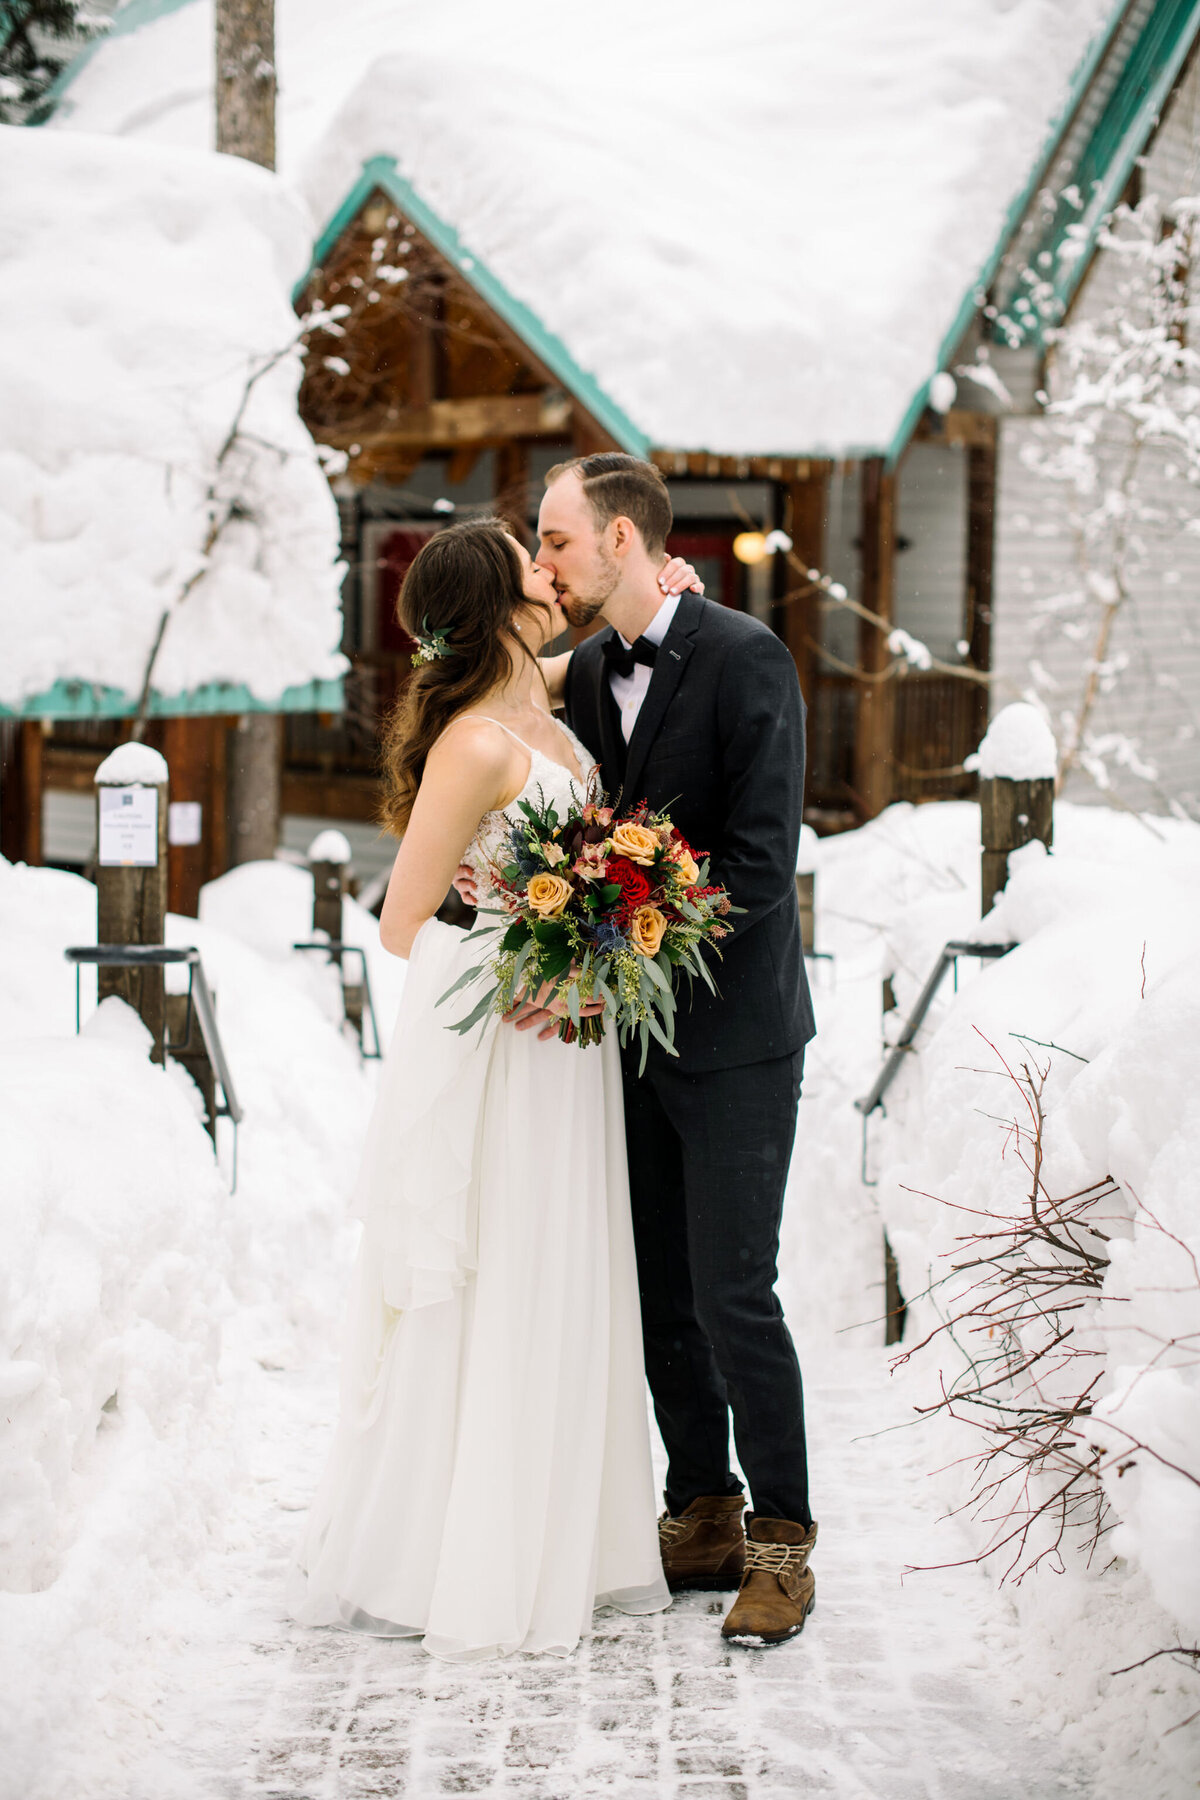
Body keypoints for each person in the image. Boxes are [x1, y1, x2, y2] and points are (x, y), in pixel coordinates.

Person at [287, 518, 701, 1661]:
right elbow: (402, 920)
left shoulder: (551, 714)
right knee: (501, 1266)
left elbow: (631, 639)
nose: (550, 571)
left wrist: (673, 585)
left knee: (565, 1264)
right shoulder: (476, 744)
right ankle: (456, 1549)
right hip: (503, 1042)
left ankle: (564, 1532)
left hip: (570, 1052)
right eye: (533, 563)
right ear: (499, 601)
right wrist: (545, 966)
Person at [514, 454, 819, 1645]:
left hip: (739, 1041)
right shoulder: (588, 668)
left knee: (738, 1292)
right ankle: (702, 1509)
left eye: (559, 541)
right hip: (629, 1047)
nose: (545, 562)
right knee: (658, 1294)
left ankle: (786, 1545)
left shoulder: (750, 660)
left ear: (628, 539)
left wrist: (615, 952)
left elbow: (757, 867)